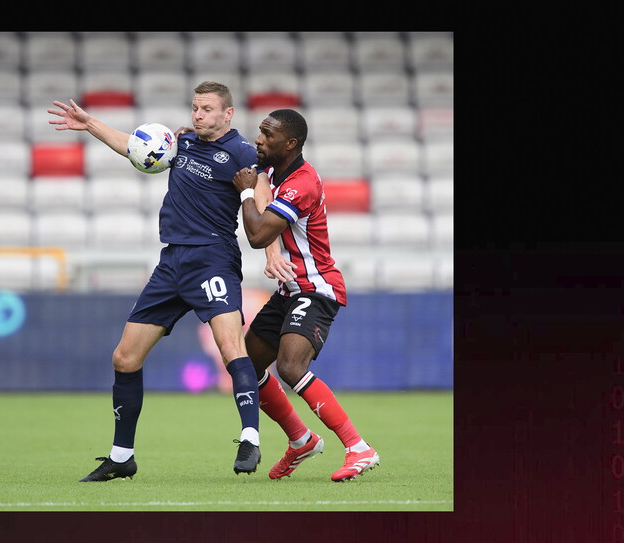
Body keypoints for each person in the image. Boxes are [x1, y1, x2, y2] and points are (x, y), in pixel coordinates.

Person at [48, 81, 262, 481]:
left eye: (206, 109)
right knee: (124, 358)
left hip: (212, 259)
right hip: (171, 263)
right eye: (195, 107)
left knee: (231, 346)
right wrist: (90, 123)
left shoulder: (243, 154)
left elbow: (261, 206)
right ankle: (121, 457)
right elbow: (133, 145)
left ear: (227, 113)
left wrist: (273, 255)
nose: (197, 114)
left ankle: (250, 438)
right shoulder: (182, 142)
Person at [231, 109, 380, 482]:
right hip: (289, 289)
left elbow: (257, 234)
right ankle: (300, 440)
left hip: (316, 288)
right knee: (246, 367)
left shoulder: (303, 183)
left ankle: (358, 447)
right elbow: (259, 179)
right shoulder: (272, 168)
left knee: (290, 367)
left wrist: (246, 191)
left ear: (290, 144)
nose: (259, 139)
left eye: (268, 134)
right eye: (260, 131)